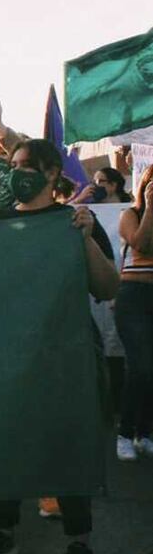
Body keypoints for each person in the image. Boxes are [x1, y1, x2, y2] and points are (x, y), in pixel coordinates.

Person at [0, 139, 118, 554]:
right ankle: (2, 529)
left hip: (64, 355)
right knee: (6, 442)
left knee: (67, 440)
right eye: (13, 165)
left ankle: (79, 539)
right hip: (9, 356)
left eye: (26, 165)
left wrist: (85, 241)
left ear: (52, 173)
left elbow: (107, 288)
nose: (17, 172)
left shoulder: (74, 221)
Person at [113, 163, 153, 462]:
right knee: (140, 366)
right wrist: (150, 206)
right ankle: (125, 433)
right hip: (134, 297)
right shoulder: (131, 214)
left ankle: (145, 432)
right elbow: (140, 242)